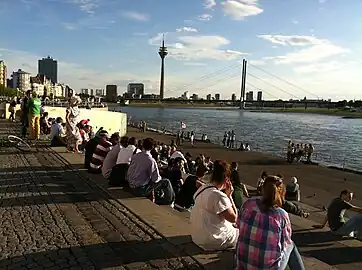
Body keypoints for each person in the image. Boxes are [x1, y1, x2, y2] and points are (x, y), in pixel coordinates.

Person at [235, 175, 305, 270]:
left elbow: (238, 225)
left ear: (262, 189)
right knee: (291, 245)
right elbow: (285, 243)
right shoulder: (281, 215)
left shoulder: (248, 204)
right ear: (281, 192)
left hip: (243, 265)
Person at [190, 160, 238, 251]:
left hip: (197, 237)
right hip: (212, 240)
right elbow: (234, 219)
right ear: (227, 180)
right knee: (242, 233)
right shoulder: (218, 196)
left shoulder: (202, 189)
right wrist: (229, 196)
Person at [127, 138, 175, 205]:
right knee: (166, 182)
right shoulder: (151, 161)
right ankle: (169, 201)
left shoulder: (136, 156)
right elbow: (156, 179)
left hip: (130, 185)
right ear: (152, 147)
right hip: (139, 190)